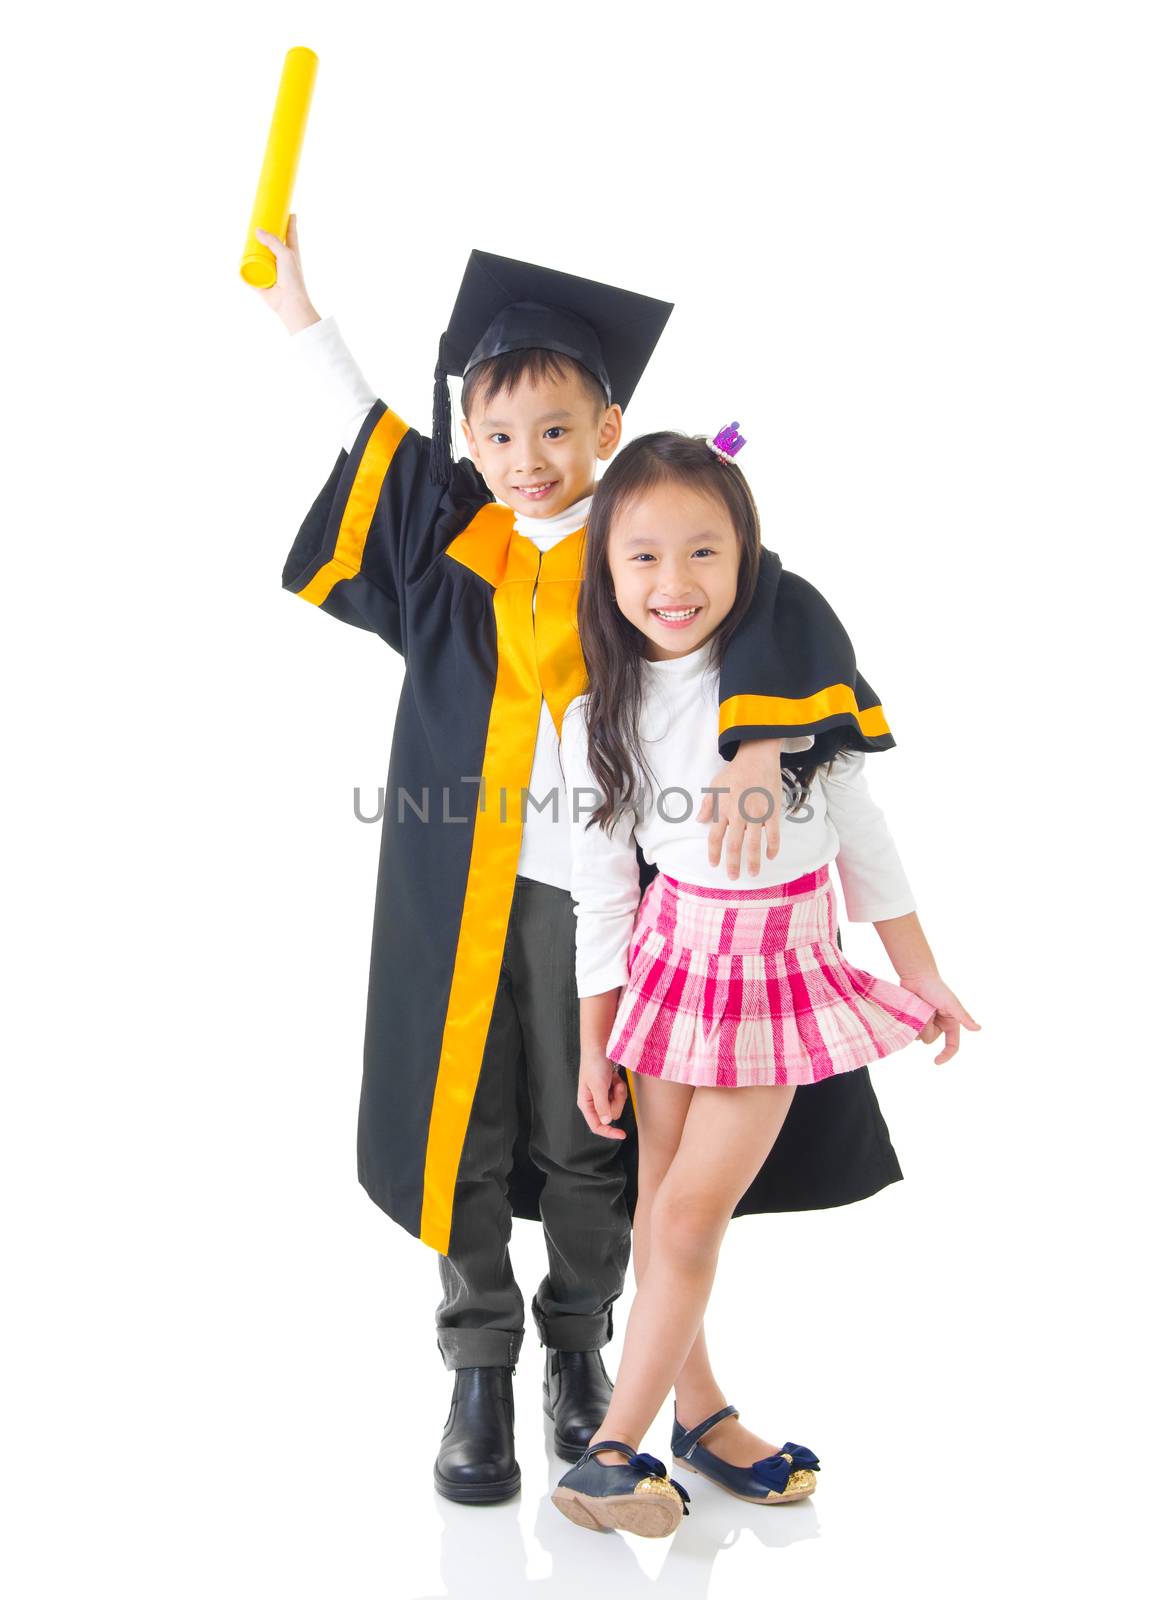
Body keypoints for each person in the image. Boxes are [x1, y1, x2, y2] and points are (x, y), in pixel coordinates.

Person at [252, 228, 832, 1503]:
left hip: (604, 897)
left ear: (609, 427)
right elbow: (370, 434)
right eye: (500, 438)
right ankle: (477, 1365)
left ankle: (580, 1350)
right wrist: (302, 312)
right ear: (471, 440)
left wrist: (765, 739)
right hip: (448, 881)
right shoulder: (449, 536)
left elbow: (771, 602)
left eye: (557, 434)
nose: (528, 463)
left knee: (592, 1128)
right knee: (460, 1121)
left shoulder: (640, 546)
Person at [553, 429, 979, 1538]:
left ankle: (609, 1448)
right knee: (660, 1208)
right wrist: (595, 1038)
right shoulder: (594, 710)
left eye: (705, 551)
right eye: (642, 556)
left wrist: (918, 966)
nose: (674, 582)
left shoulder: (793, 686)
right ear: (605, 566)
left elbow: (859, 831)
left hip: (774, 971)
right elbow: (600, 892)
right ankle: (694, 1416)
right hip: (669, 963)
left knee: (691, 1212)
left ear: (747, 557)